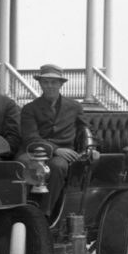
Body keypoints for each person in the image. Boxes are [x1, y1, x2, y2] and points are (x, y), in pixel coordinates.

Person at [17, 64, 90, 196]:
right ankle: (24, 206)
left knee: (58, 166)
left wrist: (87, 149)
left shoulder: (74, 106)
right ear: (40, 84)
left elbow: (85, 130)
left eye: (53, 82)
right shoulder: (29, 109)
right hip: (34, 152)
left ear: (60, 84)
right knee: (23, 163)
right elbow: (30, 138)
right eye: (45, 82)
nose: (49, 86)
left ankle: (46, 212)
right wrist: (56, 149)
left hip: (65, 153)